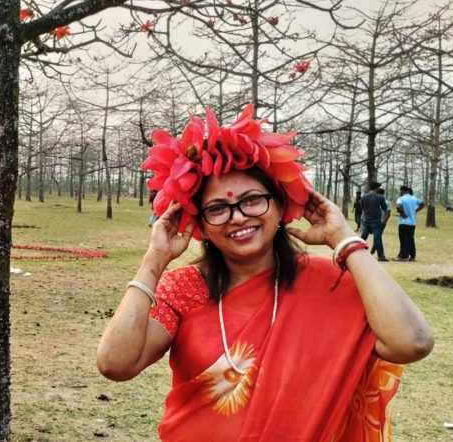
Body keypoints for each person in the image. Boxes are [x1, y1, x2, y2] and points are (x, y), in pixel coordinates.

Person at [97, 104, 432, 441]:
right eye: (217, 208)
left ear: (281, 204)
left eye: (253, 200)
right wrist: (155, 259)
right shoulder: (185, 289)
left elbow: (412, 342)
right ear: (200, 223)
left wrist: (344, 239)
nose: (238, 216)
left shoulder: (330, 283)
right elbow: (116, 364)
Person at [359, 181, 389, 261]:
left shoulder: (364, 197)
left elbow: (362, 207)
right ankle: (380, 256)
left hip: (366, 220)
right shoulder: (380, 197)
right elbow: (384, 208)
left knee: (362, 238)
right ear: (377, 188)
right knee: (377, 238)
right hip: (376, 221)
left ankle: (357, 253)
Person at [394, 186, 425, 261]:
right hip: (412, 223)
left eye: (401, 191)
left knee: (403, 239)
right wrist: (415, 211)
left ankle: (403, 256)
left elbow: (398, 206)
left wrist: (403, 214)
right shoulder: (414, 198)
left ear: (403, 191)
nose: (400, 192)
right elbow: (422, 204)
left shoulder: (401, 199)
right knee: (411, 239)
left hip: (404, 222)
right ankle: (412, 256)